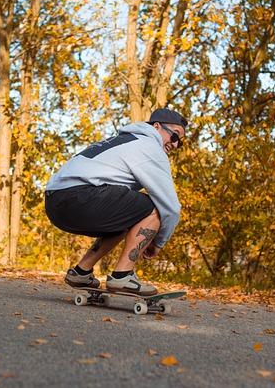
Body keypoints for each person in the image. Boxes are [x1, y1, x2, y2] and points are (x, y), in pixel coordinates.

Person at [44, 108, 187, 296]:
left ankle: (81, 271)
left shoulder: (123, 140)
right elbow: (171, 207)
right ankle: (122, 276)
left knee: (128, 214)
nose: (175, 145)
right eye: (174, 136)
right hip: (79, 197)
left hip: (55, 202)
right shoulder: (150, 146)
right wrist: (158, 243)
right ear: (157, 126)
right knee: (154, 206)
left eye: (180, 142)